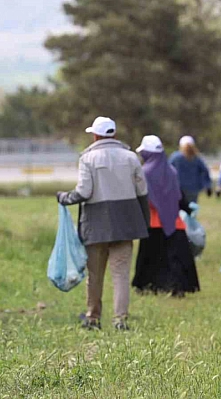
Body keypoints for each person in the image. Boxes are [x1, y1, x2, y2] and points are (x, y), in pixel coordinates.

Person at [57, 116, 149, 331]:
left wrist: (64, 197)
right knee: (121, 274)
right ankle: (120, 320)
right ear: (114, 134)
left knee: (95, 274)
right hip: (126, 223)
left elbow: (84, 192)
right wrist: (143, 222)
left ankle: (93, 317)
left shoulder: (88, 159)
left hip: (96, 224)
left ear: (96, 135)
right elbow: (142, 191)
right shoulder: (131, 157)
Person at [132, 135, 200, 297]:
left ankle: (148, 285)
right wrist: (188, 210)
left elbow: (141, 197)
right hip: (174, 222)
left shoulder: (144, 172)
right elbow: (179, 196)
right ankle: (178, 288)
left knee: (150, 258)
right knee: (175, 258)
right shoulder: (171, 171)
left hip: (153, 222)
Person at [169, 136, 212, 203]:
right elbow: (204, 171)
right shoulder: (197, 158)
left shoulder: (175, 157)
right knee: (192, 210)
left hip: (178, 189)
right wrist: (207, 186)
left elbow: (167, 171)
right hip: (193, 190)